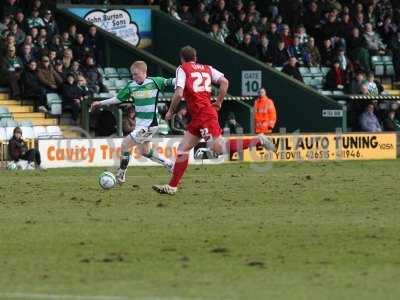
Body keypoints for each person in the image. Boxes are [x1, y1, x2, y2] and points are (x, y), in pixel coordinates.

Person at [152, 46, 275, 195]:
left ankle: (258, 140)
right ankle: (172, 186)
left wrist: (171, 111)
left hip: (203, 115)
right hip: (199, 115)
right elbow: (225, 82)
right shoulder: (207, 68)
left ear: (182, 59)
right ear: (195, 58)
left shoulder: (182, 69)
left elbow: (178, 93)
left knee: (219, 148)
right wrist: (219, 101)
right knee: (182, 149)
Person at [90, 61, 175, 184]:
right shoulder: (131, 85)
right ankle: (169, 164)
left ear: (145, 73)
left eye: (136, 74)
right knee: (145, 152)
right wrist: (100, 103)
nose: (134, 77)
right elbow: (118, 98)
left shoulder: (155, 81)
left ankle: (121, 174)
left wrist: (185, 79)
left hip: (150, 125)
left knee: (125, 144)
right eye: (132, 75)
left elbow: (171, 81)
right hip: (141, 125)